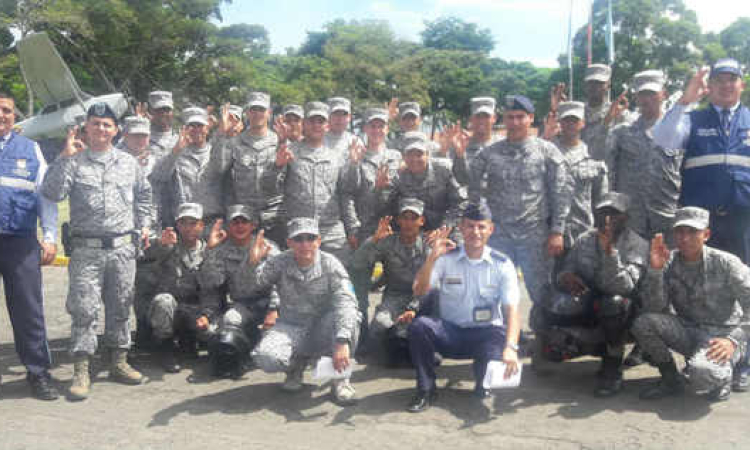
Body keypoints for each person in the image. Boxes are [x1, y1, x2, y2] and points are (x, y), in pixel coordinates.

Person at [41, 103, 152, 401]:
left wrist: (145, 226)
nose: (101, 129)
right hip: (86, 251)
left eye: (107, 125)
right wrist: (64, 156)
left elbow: (144, 197)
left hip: (122, 249)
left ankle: (118, 361)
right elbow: (52, 193)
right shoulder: (73, 161)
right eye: (95, 124)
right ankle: (81, 369)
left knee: (120, 305)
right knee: (84, 309)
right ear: (85, 128)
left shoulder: (129, 163)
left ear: (116, 131)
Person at [403, 202, 521, 412]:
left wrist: (511, 348)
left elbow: (513, 309)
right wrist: (432, 257)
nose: (475, 232)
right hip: (451, 333)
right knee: (419, 326)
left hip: (485, 336)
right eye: (469, 226)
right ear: (461, 228)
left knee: (500, 335)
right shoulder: (446, 258)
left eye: (481, 226)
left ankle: (483, 381)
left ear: (490, 229)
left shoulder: (502, 264)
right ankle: (426, 389)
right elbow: (419, 290)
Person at [632, 206, 750, 401]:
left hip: (720, 337)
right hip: (687, 330)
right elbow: (655, 308)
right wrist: (655, 271)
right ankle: (671, 379)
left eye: (693, 232)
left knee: (702, 374)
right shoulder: (668, 261)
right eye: (680, 232)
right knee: (644, 323)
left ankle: (723, 377)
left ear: (706, 234)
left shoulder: (727, 263)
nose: (685, 238)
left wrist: (733, 340)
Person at [469, 95, 571, 314]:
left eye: (520, 117)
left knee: (541, 292)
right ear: (503, 120)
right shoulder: (489, 153)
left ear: (531, 118)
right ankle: (499, 339)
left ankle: (543, 340)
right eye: (510, 117)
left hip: (534, 235)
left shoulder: (547, 151)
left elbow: (560, 193)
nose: (514, 123)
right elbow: (470, 186)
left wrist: (557, 231)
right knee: (494, 291)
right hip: (500, 235)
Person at [249, 217, 361, 405]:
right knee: (266, 357)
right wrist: (252, 263)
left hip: (323, 328)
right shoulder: (280, 262)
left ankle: (339, 380)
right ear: (289, 242)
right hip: (291, 325)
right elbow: (253, 286)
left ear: (319, 240)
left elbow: (347, 301)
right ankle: (295, 368)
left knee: (351, 318)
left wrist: (342, 341)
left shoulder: (330, 264)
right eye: (299, 239)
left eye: (310, 238)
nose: (305, 244)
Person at [550, 192, 649, 396]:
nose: (607, 219)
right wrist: (566, 277)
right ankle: (572, 345)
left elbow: (623, 286)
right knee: (548, 301)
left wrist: (609, 253)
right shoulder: (585, 239)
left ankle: (612, 365)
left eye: (614, 214)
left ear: (626, 218)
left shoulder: (637, 244)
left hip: (625, 311)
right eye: (603, 212)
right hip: (590, 301)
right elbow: (567, 268)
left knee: (613, 303)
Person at [653, 58, 750, 264]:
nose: (725, 85)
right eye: (719, 80)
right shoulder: (692, 118)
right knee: (700, 281)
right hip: (699, 223)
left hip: (744, 221)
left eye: (732, 79)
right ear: (709, 85)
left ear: (742, 85)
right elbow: (663, 139)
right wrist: (685, 101)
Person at [0, 92, 59, 400]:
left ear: (14, 115)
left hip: (20, 242)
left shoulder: (31, 150)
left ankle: (38, 373)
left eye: (7, 110)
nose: (1, 115)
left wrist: (49, 237)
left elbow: (45, 197)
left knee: (28, 310)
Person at [266, 101, 358, 266]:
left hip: (331, 231)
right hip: (298, 231)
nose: (316, 125)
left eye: (320, 121)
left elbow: (346, 194)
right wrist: (277, 166)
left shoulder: (337, 157)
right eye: (311, 121)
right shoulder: (288, 152)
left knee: (341, 277)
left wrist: (352, 229)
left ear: (327, 125)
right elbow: (270, 189)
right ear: (304, 124)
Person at [197, 204, 280, 378]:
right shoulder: (221, 249)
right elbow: (211, 283)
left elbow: (279, 282)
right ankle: (244, 351)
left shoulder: (267, 246)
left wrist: (274, 310)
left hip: (270, 303)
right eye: (235, 222)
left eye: (244, 222)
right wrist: (210, 251)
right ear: (228, 226)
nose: (240, 226)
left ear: (254, 225)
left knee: (274, 349)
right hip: (244, 305)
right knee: (227, 322)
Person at [352, 198, 430, 365]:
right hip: (394, 297)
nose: (409, 223)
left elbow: (434, 283)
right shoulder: (387, 243)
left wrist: (413, 308)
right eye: (405, 217)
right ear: (398, 220)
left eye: (413, 218)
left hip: (422, 298)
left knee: (422, 328)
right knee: (379, 326)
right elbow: (358, 263)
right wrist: (374, 240)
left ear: (421, 221)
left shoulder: (428, 244)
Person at [606, 70, 678, 243]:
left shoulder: (679, 131)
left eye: (652, 93)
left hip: (667, 218)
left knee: (666, 267)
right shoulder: (621, 132)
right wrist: (612, 212)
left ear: (664, 95)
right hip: (631, 220)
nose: (646, 99)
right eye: (642, 94)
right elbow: (610, 175)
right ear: (636, 98)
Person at [146, 203, 210, 373]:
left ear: (201, 225)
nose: (188, 228)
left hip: (197, 308)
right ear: (177, 225)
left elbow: (215, 289)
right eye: (183, 223)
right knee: (163, 301)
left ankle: (189, 341)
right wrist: (161, 245)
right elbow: (146, 255)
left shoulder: (209, 250)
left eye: (193, 223)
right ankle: (165, 348)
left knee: (215, 335)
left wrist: (206, 314)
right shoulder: (168, 246)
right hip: (172, 308)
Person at [543, 101, 608, 250]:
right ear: (560, 122)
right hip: (550, 231)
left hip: (583, 230)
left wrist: (601, 228)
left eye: (575, 120)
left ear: (583, 123)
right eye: (566, 120)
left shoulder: (593, 154)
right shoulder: (546, 152)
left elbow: (600, 197)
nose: (571, 125)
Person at [150, 107, 223, 230]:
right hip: (184, 225)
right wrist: (176, 151)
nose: (196, 130)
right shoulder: (174, 152)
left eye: (200, 125)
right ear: (184, 129)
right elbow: (159, 176)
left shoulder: (216, 152)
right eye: (191, 126)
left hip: (212, 222)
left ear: (207, 128)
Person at [388, 131, 466, 233]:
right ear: (403, 156)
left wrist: (445, 227)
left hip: (445, 227)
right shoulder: (398, 176)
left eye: (419, 154)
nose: (414, 159)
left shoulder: (444, 170)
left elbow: (461, 203)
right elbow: (389, 207)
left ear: (428, 154)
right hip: (411, 231)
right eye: (410, 154)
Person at [448, 96, 502, 187]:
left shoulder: (504, 145)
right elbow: (461, 180)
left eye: (486, 117)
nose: (482, 121)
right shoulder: (459, 145)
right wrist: (460, 156)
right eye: (478, 117)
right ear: (471, 119)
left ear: (494, 118)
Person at [325, 96, 363, 162]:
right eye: (336, 114)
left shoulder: (356, 142)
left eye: (344, 114)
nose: (340, 118)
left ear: (349, 117)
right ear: (328, 116)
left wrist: (354, 163)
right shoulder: (318, 141)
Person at [147, 90, 179, 161]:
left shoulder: (180, 139)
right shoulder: (141, 139)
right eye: (159, 110)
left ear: (172, 112)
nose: (164, 114)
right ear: (151, 112)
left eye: (167, 110)